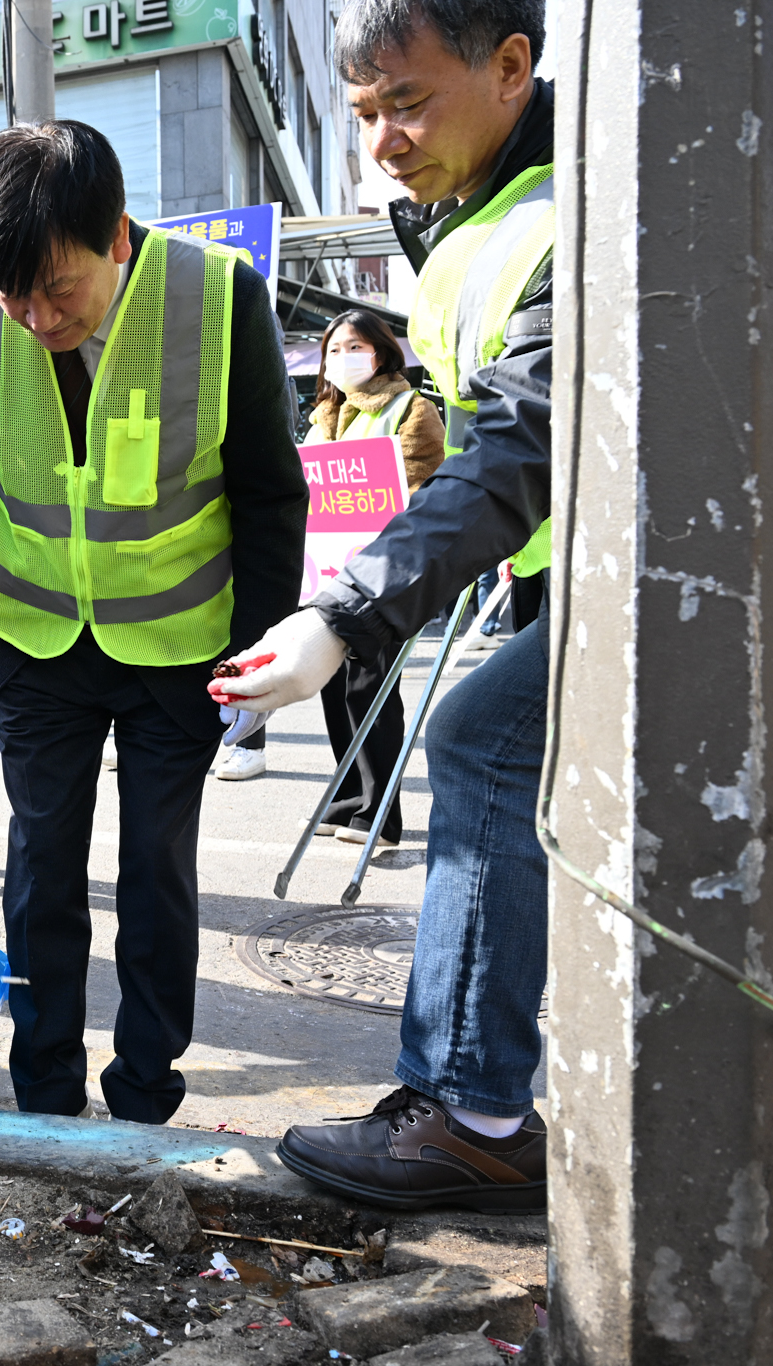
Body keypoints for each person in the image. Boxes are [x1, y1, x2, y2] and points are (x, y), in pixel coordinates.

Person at [215, 0, 556, 1208]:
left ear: (509, 66)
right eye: (362, 113)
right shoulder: (472, 220)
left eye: (405, 102)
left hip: (668, 573)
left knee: (478, 739)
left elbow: (518, 448)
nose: (380, 140)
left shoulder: (565, 217)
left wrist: (344, 616)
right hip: (560, 573)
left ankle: (471, 1109)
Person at [0, 121, 308, 1124]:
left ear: (115, 237)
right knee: (38, 866)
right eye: (12, 289)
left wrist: (258, 653)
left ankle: (143, 1091)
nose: (34, 314)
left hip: (177, 642)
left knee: (154, 868)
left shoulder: (214, 300)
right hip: (33, 635)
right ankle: (43, 1090)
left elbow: (267, 492)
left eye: (56, 286)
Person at [297, 309, 444, 845]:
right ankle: (347, 799)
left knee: (372, 687)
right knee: (334, 687)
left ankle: (382, 814)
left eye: (354, 347)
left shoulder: (412, 408)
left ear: (380, 352)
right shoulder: (323, 417)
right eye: (333, 350)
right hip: (328, 575)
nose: (342, 358)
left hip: (384, 571)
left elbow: (424, 484)